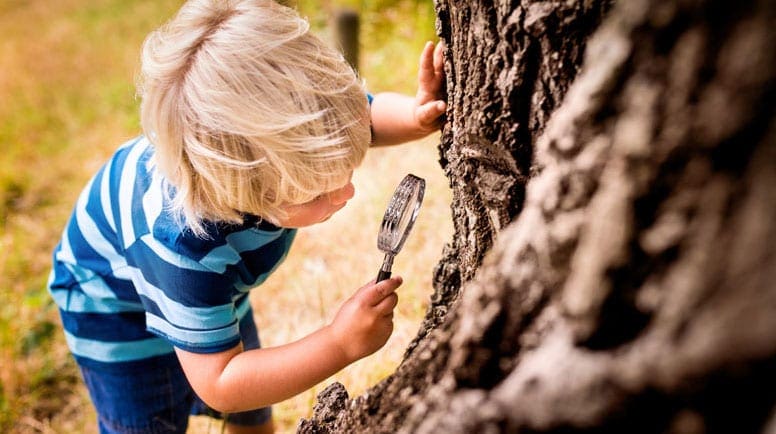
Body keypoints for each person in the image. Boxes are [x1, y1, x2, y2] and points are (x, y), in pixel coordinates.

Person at [46, 0, 445, 433]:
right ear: (246, 193)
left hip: (215, 287)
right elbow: (222, 381)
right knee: (153, 415)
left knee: (256, 403)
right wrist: (338, 343)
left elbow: (362, 118)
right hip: (113, 311)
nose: (346, 192)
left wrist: (415, 115)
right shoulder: (183, 245)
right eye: (316, 192)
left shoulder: (290, 140)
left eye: (344, 168)